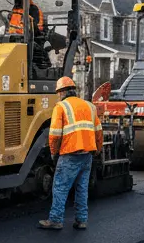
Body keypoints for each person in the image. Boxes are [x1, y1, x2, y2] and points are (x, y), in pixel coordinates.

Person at [38, 76, 102, 231]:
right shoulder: (89, 106)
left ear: (63, 92)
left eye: (59, 92)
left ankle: (55, 220)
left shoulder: (61, 107)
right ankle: (81, 220)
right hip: (87, 154)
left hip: (70, 153)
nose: (58, 95)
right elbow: (99, 132)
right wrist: (97, 150)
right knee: (81, 188)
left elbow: (54, 135)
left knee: (60, 187)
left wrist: (54, 154)